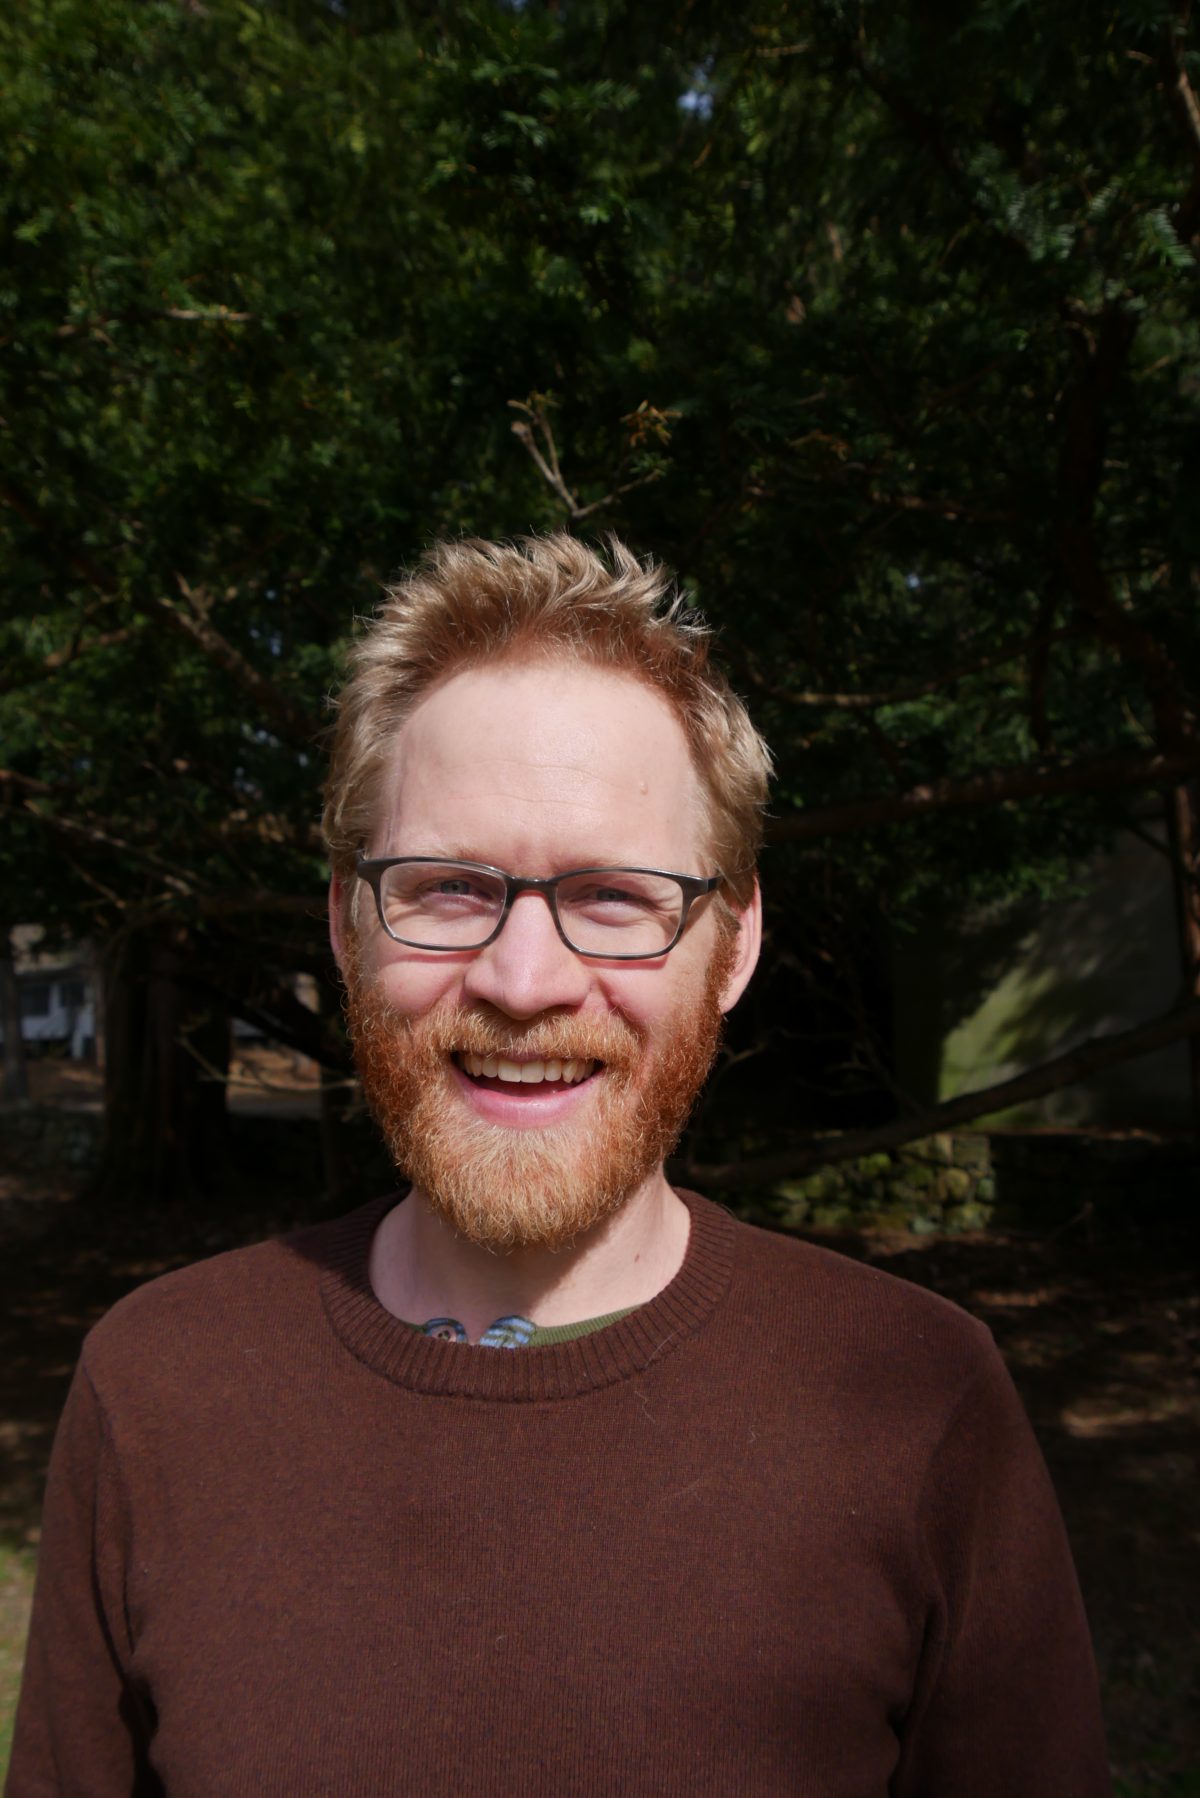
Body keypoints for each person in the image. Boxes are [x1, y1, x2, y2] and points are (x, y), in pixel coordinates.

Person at [8, 535, 1110, 1796]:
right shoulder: (156, 1390)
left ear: (733, 943)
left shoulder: (922, 1401)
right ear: (346, 925)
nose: (524, 981)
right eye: (445, 886)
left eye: (613, 896)